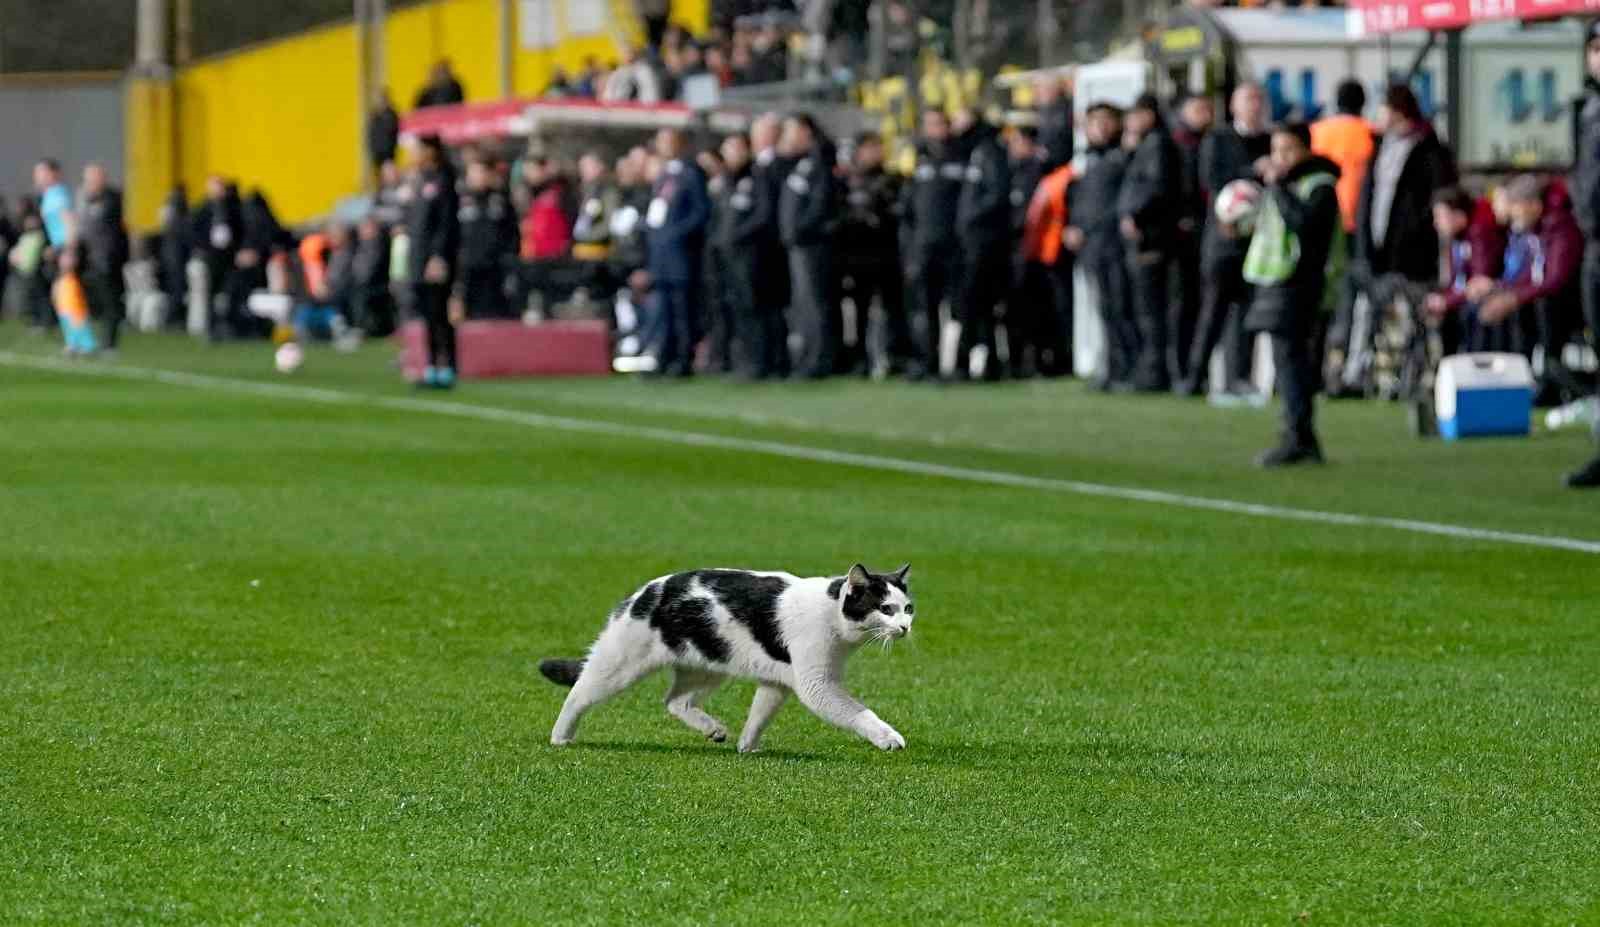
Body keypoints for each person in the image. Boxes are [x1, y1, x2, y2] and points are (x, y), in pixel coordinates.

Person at [1344, 84, 1458, 392]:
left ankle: (1414, 377)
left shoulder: (1430, 150)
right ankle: (1359, 374)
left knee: (1416, 319)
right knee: (1368, 312)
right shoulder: (1379, 148)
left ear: (1396, 111)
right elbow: (1368, 200)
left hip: (1414, 256)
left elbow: (1436, 199)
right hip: (1378, 252)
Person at [1241, 123, 1342, 467]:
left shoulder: (1319, 186)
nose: (1279, 158)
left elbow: (1304, 226)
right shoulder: (1291, 183)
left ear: (1306, 151)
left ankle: (1297, 437)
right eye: (1275, 150)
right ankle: (1301, 436)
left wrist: (1278, 188)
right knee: (1288, 362)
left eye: (1288, 150)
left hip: (1300, 285)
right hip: (1277, 283)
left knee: (1293, 363)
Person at [1183, 82, 1272, 396]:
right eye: (1249, 99)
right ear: (1234, 106)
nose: (1255, 105)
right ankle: (1195, 376)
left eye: (1259, 99)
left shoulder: (1271, 141)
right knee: (1213, 310)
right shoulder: (1218, 139)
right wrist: (1252, 172)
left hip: (1257, 243)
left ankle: (1239, 377)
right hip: (1222, 241)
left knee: (1246, 313)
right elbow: (1212, 180)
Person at [1468, 177, 1583, 401]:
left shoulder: (1561, 228)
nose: (1512, 212)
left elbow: (1555, 280)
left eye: (1516, 205)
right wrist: (1500, 289)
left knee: (1531, 306)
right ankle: (1498, 378)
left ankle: (1539, 379)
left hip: (1569, 305)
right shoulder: (1538, 230)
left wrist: (1514, 299)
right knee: (1495, 302)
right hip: (1547, 303)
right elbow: (1532, 275)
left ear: (1534, 205)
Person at [1067, 102, 1136, 390]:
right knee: (1105, 308)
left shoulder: (1123, 157)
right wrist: (1074, 226)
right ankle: (1111, 367)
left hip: (1114, 244)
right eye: (1094, 121)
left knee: (1120, 308)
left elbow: (1117, 203)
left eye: (1106, 120)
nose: (1100, 127)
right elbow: (1082, 201)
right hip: (1092, 246)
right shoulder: (1086, 159)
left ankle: (1125, 369)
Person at [1117, 93, 1182, 392]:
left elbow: (1154, 187)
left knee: (1150, 309)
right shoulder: (1148, 145)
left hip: (1151, 238)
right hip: (1149, 237)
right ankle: (1150, 368)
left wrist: (1135, 215)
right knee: (1148, 308)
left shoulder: (1157, 145)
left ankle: (1155, 372)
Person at [838, 132, 910, 377]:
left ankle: (896, 356)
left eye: (877, 147)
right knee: (859, 309)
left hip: (887, 254)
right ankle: (860, 358)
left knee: (893, 308)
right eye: (869, 148)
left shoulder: (892, 180)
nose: (874, 153)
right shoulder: (848, 182)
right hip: (857, 256)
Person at [900, 108, 965, 380]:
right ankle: (927, 362)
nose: (935, 129)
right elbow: (907, 210)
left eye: (939, 123)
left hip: (956, 246)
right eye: (929, 124)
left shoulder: (962, 156)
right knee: (925, 309)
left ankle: (960, 365)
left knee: (958, 308)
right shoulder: (917, 159)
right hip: (924, 246)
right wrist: (909, 249)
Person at [643, 127, 711, 377]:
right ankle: (665, 355)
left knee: (683, 308)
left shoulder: (690, 174)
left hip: (680, 254)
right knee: (663, 309)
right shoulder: (663, 175)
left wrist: (677, 233)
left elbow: (700, 212)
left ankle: (683, 357)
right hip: (661, 254)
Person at [951, 108, 1013, 381]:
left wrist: (971, 219)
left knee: (978, 302)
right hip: (971, 240)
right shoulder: (973, 152)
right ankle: (978, 362)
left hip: (983, 241)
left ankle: (977, 362)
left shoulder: (988, 151)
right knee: (974, 303)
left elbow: (997, 194)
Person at [778, 113, 839, 380]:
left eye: (791, 130)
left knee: (815, 302)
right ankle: (805, 358)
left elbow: (820, 203)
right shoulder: (800, 163)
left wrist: (800, 229)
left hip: (812, 243)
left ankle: (818, 360)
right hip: (798, 244)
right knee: (804, 303)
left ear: (805, 131)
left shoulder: (819, 161)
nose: (786, 137)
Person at [406, 135, 462, 388]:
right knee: (428, 314)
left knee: (439, 313)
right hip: (419, 257)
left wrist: (438, 255)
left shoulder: (443, 181)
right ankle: (430, 366)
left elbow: (445, 224)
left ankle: (447, 366)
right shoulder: (421, 180)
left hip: (434, 259)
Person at [1423, 186, 1504, 357]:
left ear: (1459, 215)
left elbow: (1480, 283)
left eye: (1440, 216)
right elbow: (1457, 281)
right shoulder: (1457, 237)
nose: (1436, 223)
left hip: (1491, 301)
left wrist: (1446, 301)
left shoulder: (1480, 232)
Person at [1170, 92, 1215, 389]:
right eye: (1198, 109)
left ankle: (1200, 370)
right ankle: (1182, 368)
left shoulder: (1213, 142)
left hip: (1206, 232)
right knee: (1183, 304)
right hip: (1183, 236)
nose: (1205, 115)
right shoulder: (1176, 144)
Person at [1021, 150, 1076, 378]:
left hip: (1054, 253)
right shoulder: (1047, 178)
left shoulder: (1064, 177)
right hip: (1039, 253)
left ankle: (1062, 358)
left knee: (1059, 309)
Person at [1005, 126, 1049, 377]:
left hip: (1033, 249)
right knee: (1017, 307)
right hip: (1016, 248)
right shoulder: (1012, 170)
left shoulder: (1038, 171)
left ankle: (1036, 360)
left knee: (1032, 307)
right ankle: (1017, 360)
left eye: (1016, 142)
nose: (1012, 147)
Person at [453, 155, 519, 320]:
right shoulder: (457, 199)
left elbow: (512, 231)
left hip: (494, 266)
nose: (479, 177)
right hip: (466, 266)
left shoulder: (500, 199)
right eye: (475, 173)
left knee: (493, 313)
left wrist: (510, 256)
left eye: (482, 172)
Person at [76, 164, 130, 352]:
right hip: (88, 257)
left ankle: (109, 342)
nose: (89, 183)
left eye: (93, 178)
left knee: (111, 300)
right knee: (91, 299)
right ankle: (90, 339)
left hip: (107, 258)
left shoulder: (111, 199)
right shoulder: (84, 198)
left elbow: (109, 227)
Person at [1311, 79, 1374, 237]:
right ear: (1363, 102)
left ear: (1337, 102)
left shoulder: (1315, 131)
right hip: (1360, 214)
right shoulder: (1372, 133)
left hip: (1322, 212)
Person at [190, 177, 243, 338]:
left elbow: (241, 229)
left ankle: (229, 325)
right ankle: (211, 328)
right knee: (210, 293)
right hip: (211, 256)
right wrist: (202, 247)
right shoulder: (203, 208)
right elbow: (193, 231)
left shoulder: (233, 208)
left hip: (229, 256)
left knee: (230, 289)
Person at [52, 244, 98, 356]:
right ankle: (72, 346)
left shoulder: (78, 275)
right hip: (63, 308)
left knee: (80, 328)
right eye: (64, 258)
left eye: (70, 258)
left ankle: (88, 346)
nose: (66, 261)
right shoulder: (59, 276)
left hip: (76, 308)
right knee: (69, 329)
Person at [157, 186, 191, 329]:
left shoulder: (168, 214)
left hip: (169, 256)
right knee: (177, 289)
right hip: (176, 257)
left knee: (173, 289)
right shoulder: (182, 217)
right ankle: (174, 318)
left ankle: (172, 317)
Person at [1034, 75, 1075, 172]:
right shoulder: (1044, 110)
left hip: (1061, 164)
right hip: (1047, 162)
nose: (1038, 93)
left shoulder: (1065, 109)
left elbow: (1063, 137)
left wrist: (1047, 151)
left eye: (1043, 89)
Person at [35, 159, 74, 255]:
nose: (38, 176)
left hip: (65, 248)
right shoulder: (47, 195)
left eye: (42, 172)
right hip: (58, 248)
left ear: (54, 173)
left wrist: (69, 251)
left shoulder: (59, 194)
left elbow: (70, 221)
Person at [366, 89, 400, 176]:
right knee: (380, 175)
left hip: (387, 154)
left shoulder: (391, 114)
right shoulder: (374, 115)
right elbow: (372, 135)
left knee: (389, 174)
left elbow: (392, 133)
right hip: (377, 154)